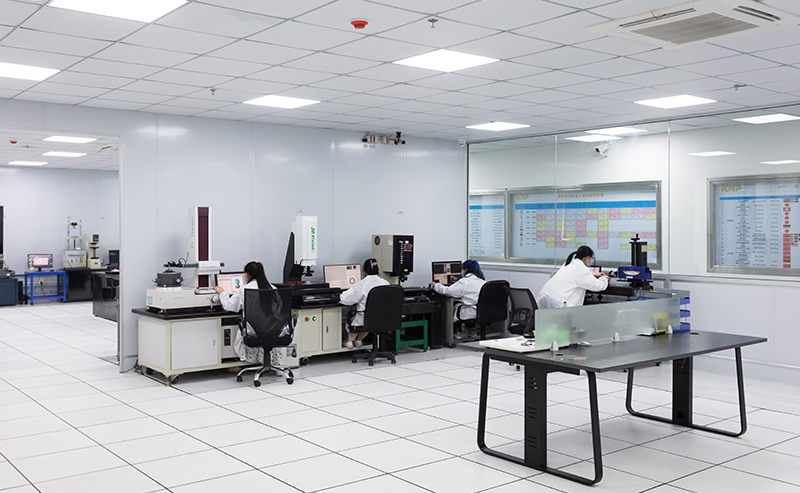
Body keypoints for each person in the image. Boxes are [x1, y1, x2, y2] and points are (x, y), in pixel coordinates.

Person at [213, 261, 275, 363]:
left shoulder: (244, 290)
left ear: (247, 274)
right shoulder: (273, 289)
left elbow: (229, 306)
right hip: (273, 331)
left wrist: (222, 293)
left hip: (252, 332)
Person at [339, 258, 390, 348]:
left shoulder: (362, 284)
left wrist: (337, 295)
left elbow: (345, 299)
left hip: (365, 319)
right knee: (369, 321)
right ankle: (359, 340)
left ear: (364, 271)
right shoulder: (386, 283)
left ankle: (349, 341)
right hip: (383, 319)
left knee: (354, 318)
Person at [537, 245, 609, 309]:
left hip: (544, 297)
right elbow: (598, 286)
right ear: (587, 258)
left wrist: (593, 275)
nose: (591, 261)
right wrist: (604, 279)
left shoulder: (570, 263)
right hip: (558, 303)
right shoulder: (582, 270)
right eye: (592, 258)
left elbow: (574, 277)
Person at [431, 259, 486, 340]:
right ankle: (471, 332)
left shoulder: (464, 282)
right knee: (469, 302)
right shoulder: (482, 281)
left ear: (465, 270)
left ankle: (457, 333)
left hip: (471, 311)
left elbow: (446, 291)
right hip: (482, 311)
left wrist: (436, 285)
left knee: (455, 304)